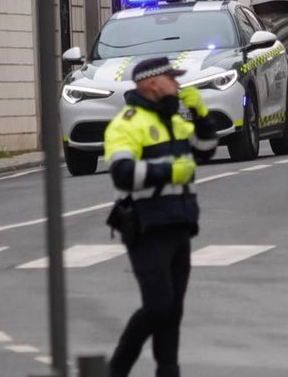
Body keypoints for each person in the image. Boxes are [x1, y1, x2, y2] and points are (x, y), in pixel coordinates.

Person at [105, 56, 218, 377]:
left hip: (179, 224)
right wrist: (169, 171)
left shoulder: (173, 119)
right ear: (153, 83)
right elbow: (122, 174)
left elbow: (206, 148)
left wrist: (201, 114)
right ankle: (115, 371)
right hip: (146, 227)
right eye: (172, 79)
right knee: (158, 307)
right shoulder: (127, 123)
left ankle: (168, 372)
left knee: (173, 311)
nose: (178, 85)